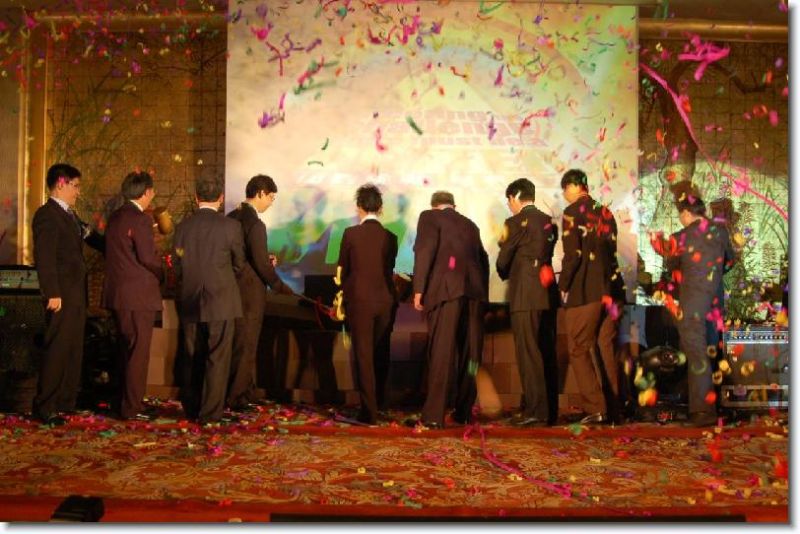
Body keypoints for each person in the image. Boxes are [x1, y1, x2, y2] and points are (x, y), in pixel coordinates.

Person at [31, 163, 105, 425]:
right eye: (75, 186)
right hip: (60, 294)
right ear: (60, 183)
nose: (78, 191)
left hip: (75, 294)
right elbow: (45, 257)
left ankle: (66, 402)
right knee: (58, 348)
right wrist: (52, 291)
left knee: (74, 348)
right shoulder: (47, 215)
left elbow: (93, 238)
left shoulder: (70, 215)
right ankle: (45, 406)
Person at [411, 191, 489, 428]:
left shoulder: (429, 217)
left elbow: (424, 251)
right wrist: (483, 296)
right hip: (474, 294)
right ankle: (463, 412)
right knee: (470, 355)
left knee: (442, 352)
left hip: (446, 291)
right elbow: (484, 260)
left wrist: (419, 289)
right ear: (453, 205)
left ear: (435, 205)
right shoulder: (471, 225)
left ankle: (434, 415)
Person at [173, 177, 245, 424]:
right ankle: (211, 413)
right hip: (222, 300)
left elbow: (178, 263)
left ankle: (192, 408)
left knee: (191, 355)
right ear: (221, 198)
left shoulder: (183, 227)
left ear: (196, 197)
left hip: (190, 298)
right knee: (218, 357)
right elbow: (239, 264)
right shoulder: (231, 227)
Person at [663, 195, 735, 427]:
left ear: (686, 213)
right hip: (715, 303)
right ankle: (713, 403)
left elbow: (671, 267)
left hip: (692, 303)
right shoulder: (721, 232)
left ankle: (703, 411)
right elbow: (730, 261)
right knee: (711, 351)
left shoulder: (680, 237)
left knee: (696, 354)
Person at [226, 174, 294, 411]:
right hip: (250, 292)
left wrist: (263, 259)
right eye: (271, 197)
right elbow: (261, 265)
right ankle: (238, 397)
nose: (271, 203)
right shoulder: (256, 224)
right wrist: (279, 286)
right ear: (260, 193)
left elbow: (243, 256)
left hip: (231, 289)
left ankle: (245, 390)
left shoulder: (231, 217)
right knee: (247, 344)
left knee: (235, 343)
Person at [496, 178, 559, 427]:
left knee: (528, 353)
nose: (509, 206)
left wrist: (503, 272)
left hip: (524, 294)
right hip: (546, 293)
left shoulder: (514, 223)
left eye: (509, 201)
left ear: (515, 197)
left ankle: (536, 412)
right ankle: (547, 410)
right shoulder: (548, 221)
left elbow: (503, 259)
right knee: (544, 350)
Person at [558, 169, 619, 425]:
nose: (564, 195)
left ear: (574, 186)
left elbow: (573, 255)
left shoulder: (572, 212)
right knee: (605, 347)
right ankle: (614, 408)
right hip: (610, 291)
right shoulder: (605, 212)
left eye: (565, 189)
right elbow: (611, 250)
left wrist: (563, 285)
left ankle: (595, 408)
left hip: (585, 291)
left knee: (578, 347)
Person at [102, 171, 163, 421]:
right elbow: (148, 258)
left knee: (125, 349)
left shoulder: (115, 216)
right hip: (138, 296)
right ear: (146, 192)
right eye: (152, 191)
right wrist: (164, 270)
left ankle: (122, 402)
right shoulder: (140, 219)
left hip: (117, 294)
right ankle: (132, 407)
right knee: (138, 352)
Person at [336, 184, 398, 424]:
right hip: (386, 301)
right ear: (380, 208)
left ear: (358, 207)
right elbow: (388, 269)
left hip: (360, 302)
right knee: (381, 353)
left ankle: (368, 412)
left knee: (363, 355)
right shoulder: (391, 237)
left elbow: (342, 270)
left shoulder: (350, 234)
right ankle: (380, 404)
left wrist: (343, 294)